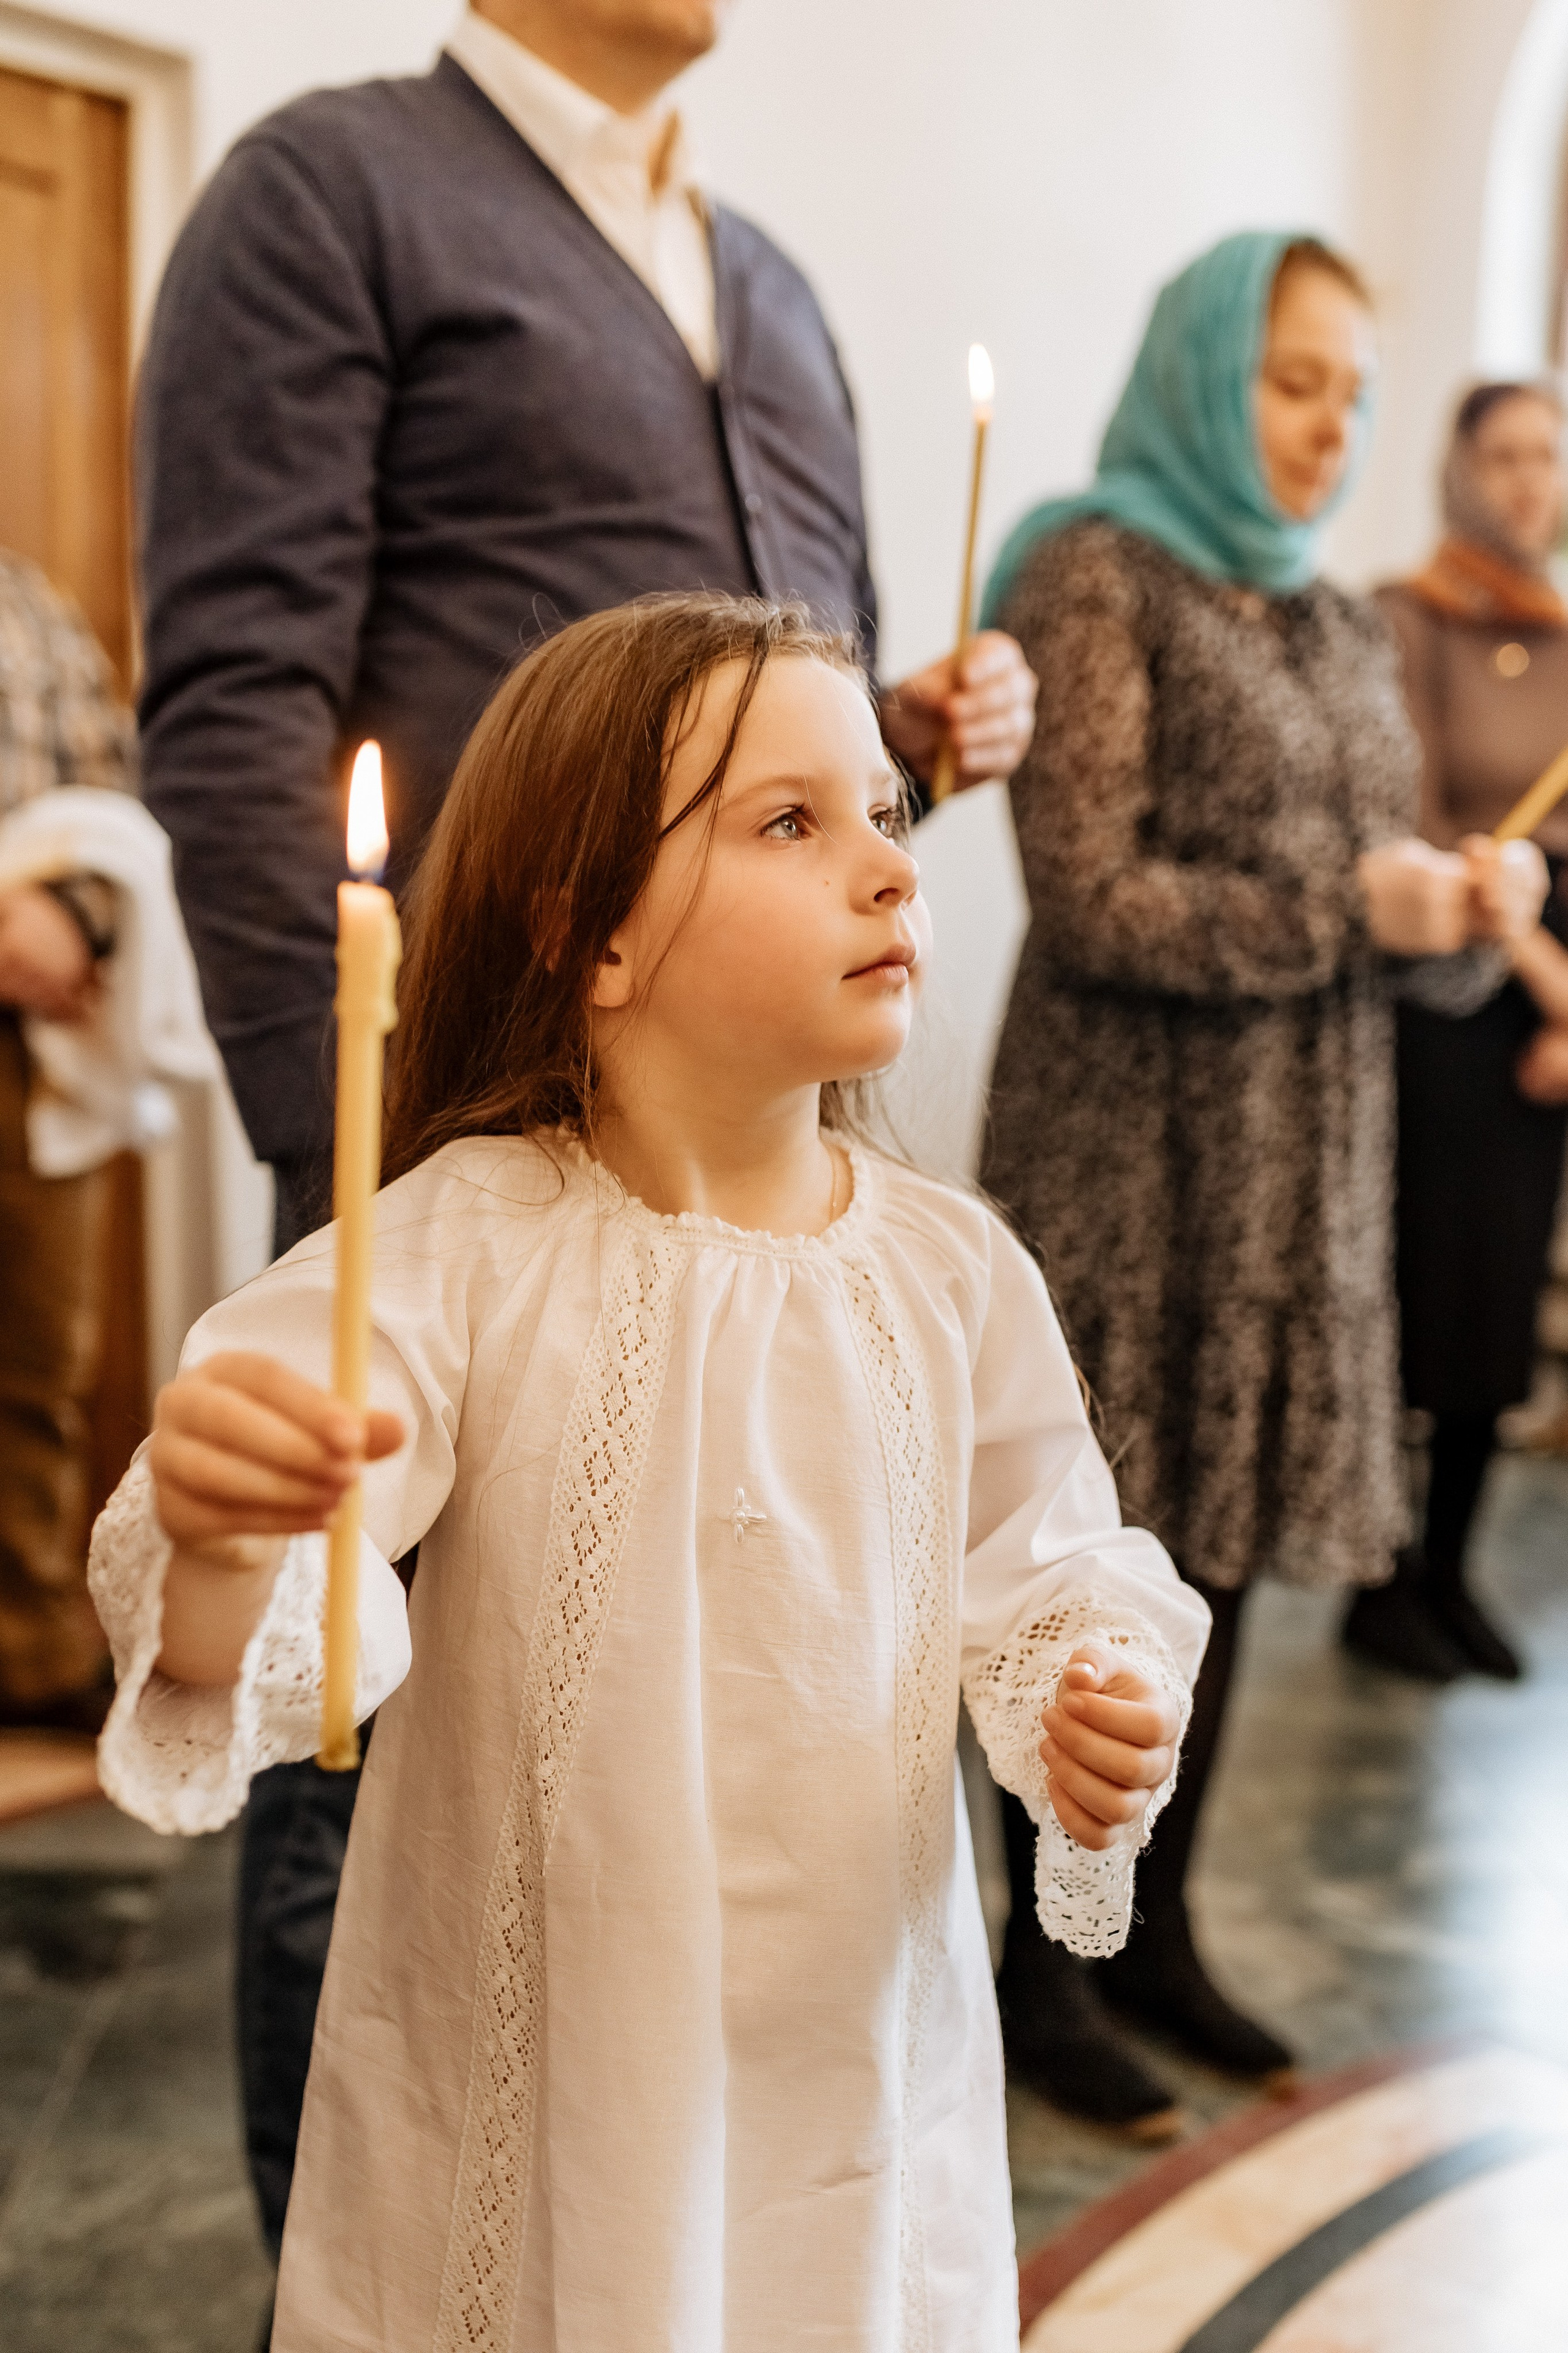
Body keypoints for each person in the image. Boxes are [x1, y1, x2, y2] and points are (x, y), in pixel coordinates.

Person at [134, 0, 1038, 2256]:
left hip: (726, 1117)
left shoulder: (779, 283)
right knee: (375, 1760)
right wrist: (358, 1120)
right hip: (460, 1091)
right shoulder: (335, 190)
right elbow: (241, 686)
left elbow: (774, 680)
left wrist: (896, 739)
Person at [90, 592, 1205, 2350]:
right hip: (555, 2075)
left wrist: (1093, 1692)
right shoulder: (464, 1245)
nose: (890, 869)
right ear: (592, 937)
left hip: (852, 2057)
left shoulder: (951, 1267)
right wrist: (232, 1524)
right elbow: (289, 1550)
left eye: (887, 815)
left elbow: (1053, 1557)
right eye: (791, 821)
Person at [975, 234, 1547, 2139]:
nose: (1329, 425)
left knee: (1207, 1557)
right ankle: (1033, 1971)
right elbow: (1093, 894)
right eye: (1296, 378)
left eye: (1356, 392)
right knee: (1089, 1568)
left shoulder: (1320, 616)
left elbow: (1387, 901)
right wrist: (1351, 909)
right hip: (1133, 1159)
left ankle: (1147, 1929)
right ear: (1206, 367)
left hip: (1298, 1170)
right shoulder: (1092, 573)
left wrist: (1471, 913)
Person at [1347, 383, 1568, 1683]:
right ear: (1454, 468)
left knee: (1491, 1316)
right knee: (1412, 1294)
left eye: (1546, 455)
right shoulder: (1404, 617)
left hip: (1542, 1025)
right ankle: (1374, 1580)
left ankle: (1448, 1567)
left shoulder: (1561, 631)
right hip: (1443, 1009)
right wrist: (1549, 985)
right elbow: (1418, 827)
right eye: (1503, 453)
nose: (1527, 479)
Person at [0, 551, 135, 1731]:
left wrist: (68, 915)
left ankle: (34, 1650)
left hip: (30, 1039)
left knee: (40, 1352)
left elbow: (113, 791)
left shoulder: (31, 605)